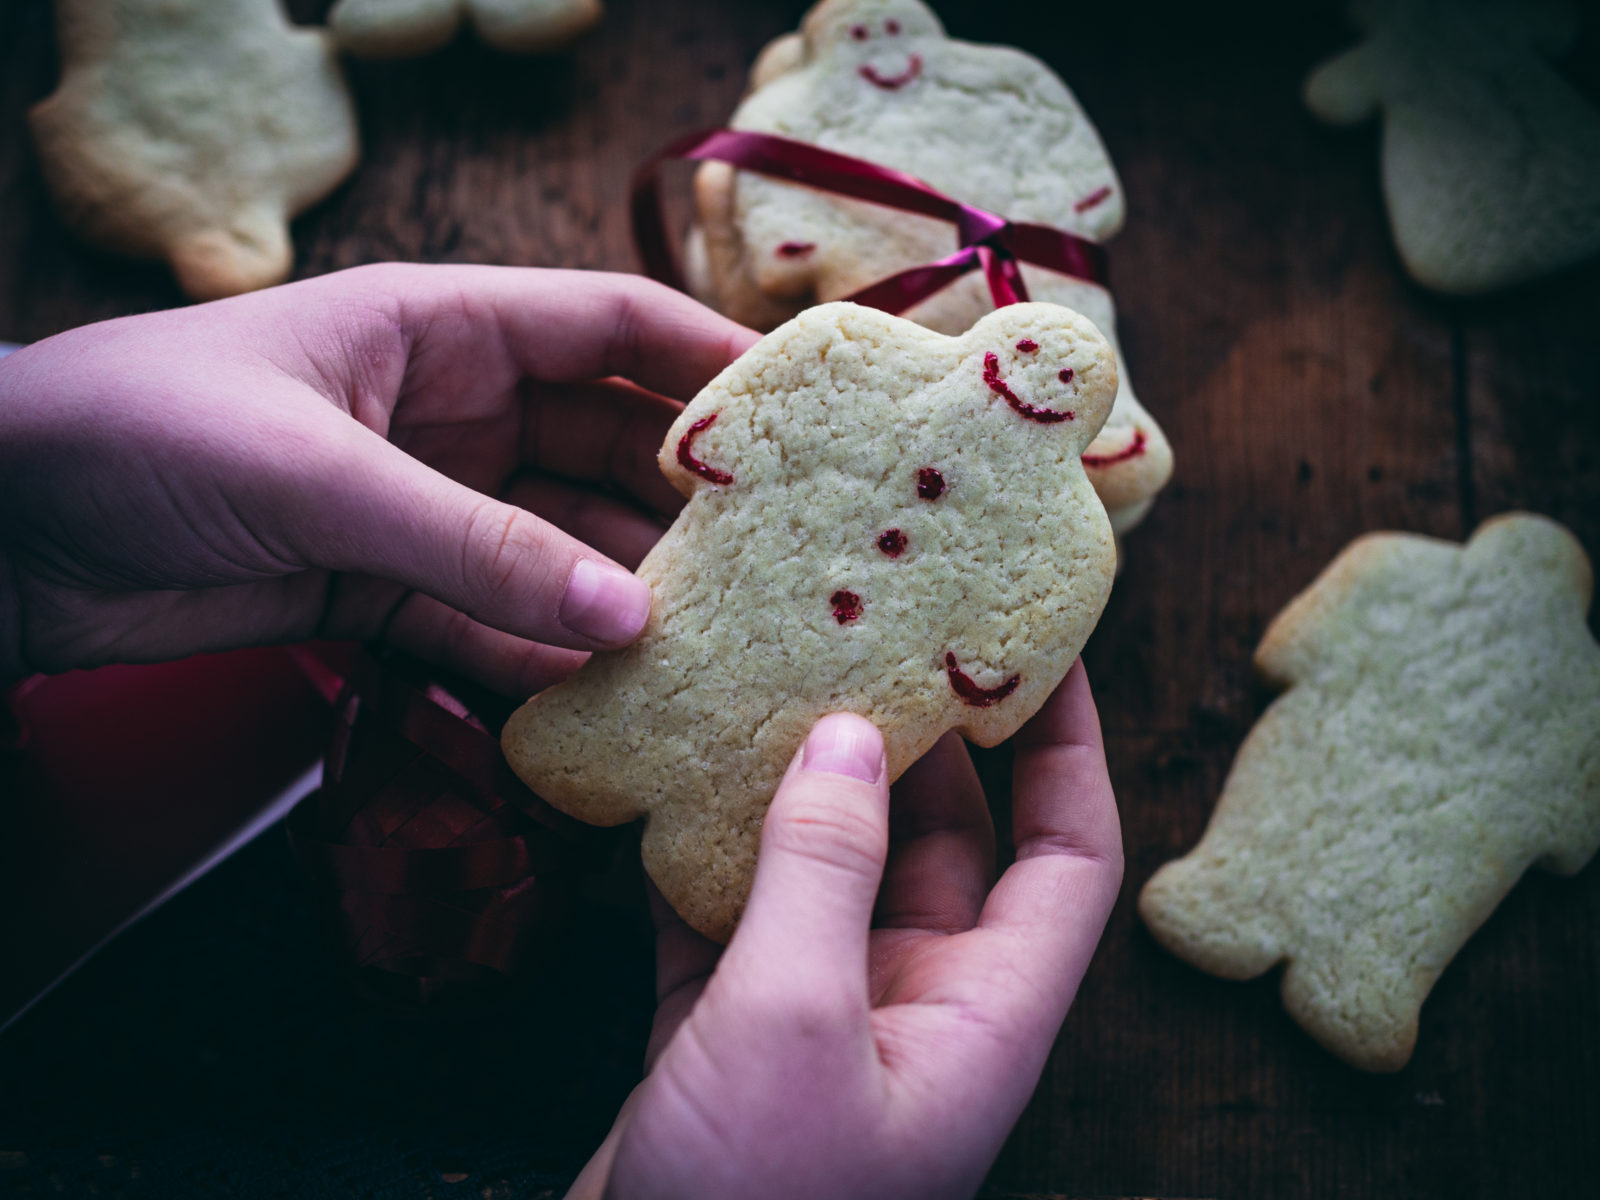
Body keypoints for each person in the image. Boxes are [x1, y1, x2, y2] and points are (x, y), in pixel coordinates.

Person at [0, 264, 1122, 1199]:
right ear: (999, 340)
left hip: (836, 695)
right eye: (1038, 352)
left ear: (1081, 414)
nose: (1043, 377)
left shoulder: (1066, 533)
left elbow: (999, 686)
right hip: (704, 620)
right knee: (630, 696)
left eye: (1067, 378)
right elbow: (735, 420)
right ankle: (601, 750)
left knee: (724, 837)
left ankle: (699, 834)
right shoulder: (857, 354)